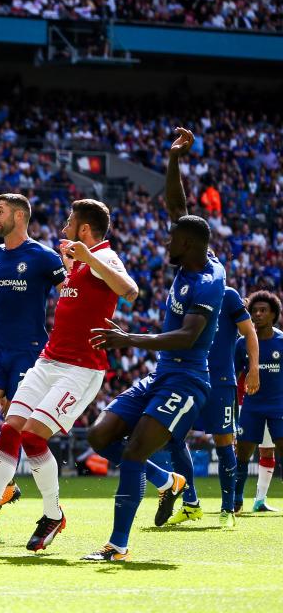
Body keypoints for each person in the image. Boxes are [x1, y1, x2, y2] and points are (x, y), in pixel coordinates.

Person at [0, 199, 138, 550]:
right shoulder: (76, 262)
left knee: (34, 437)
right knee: (10, 429)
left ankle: (53, 514)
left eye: (69, 221)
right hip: (48, 360)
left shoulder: (105, 256)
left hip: (81, 368)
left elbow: (129, 291)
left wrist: (87, 259)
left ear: (85, 230)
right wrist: (76, 264)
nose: (63, 227)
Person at [83, 128, 226, 561]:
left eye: (172, 239)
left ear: (187, 245)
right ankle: (168, 482)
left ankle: (117, 545)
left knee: (132, 450)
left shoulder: (207, 282)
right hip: (162, 374)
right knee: (99, 436)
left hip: (187, 381)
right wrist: (173, 159)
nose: (166, 241)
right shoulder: (195, 251)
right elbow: (178, 207)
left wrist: (129, 338)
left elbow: (187, 336)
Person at [0, 193, 67, 503]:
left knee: (14, 422)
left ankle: (1, 492)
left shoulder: (44, 257)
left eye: (0, 211)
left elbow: (69, 296)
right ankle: (5, 486)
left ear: (19, 217)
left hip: (29, 350)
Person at [164, 286, 259, 527]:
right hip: (188, 379)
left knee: (224, 442)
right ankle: (190, 504)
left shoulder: (228, 295)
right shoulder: (183, 294)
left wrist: (254, 368)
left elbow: (249, 332)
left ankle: (227, 510)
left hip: (221, 382)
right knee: (174, 437)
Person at [234, 291, 283, 513]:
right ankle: (235, 502)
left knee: (274, 451)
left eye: (263, 310)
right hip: (251, 406)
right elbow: (232, 375)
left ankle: (260, 500)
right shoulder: (241, 344)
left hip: (278, 407)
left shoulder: (281, 341)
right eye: (254, 310)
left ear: (274, 314)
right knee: (242, 454)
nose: (258, 314)